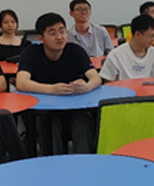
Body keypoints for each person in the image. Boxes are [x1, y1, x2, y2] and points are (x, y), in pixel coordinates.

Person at [16, 12, 101, 154]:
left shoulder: (75, 50)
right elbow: (21, 82)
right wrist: (51, 89)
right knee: (49, 125)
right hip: (45, 111)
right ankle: (53, 164)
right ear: (41, 38)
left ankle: (84, 163)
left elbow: (95, 77)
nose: (59, 37)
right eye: (52, 33)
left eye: (62, 31)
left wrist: (87, 86)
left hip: (74, 108)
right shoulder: (31, 53)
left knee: (84, 122)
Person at [100, 14, 154, 82]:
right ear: (137, 34)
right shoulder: (116, 55)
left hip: (150, 88)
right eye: (152, 36)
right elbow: (108, 83)